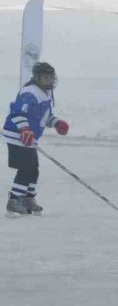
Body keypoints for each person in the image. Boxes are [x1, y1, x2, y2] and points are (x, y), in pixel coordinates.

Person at [4, 62, 69, 217]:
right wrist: (24, 129)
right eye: (46, 77)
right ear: (37, 78)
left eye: (51, 77)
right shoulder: (30, 92)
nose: (49, 80)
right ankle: (14, 200)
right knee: (26, 169)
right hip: (17, 135)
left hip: (28, 137)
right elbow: (17, 113)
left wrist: (57, 123)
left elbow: (44, 117)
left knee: (33, 170)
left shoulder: (46, 93)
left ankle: (28, 199)